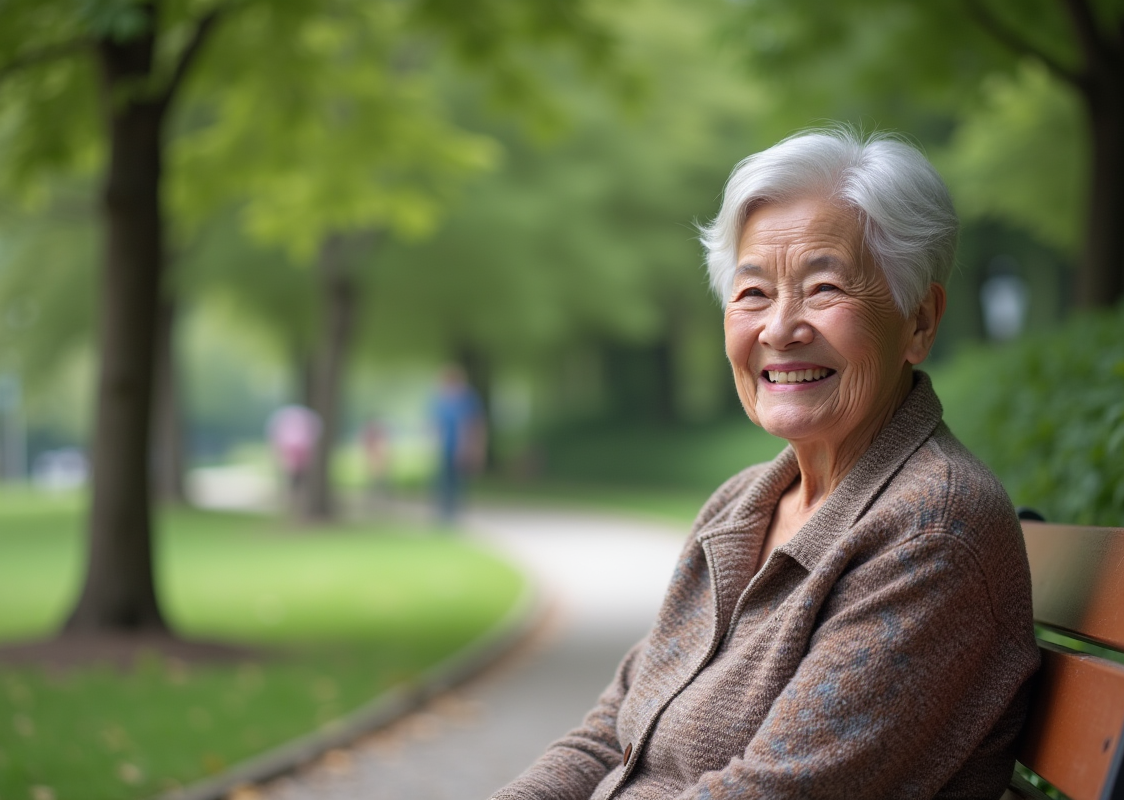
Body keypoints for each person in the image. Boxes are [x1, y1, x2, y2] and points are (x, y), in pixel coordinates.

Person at [492, 128, 1039, 800]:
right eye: (752, 293)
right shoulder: (739, 506)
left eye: (824, 287)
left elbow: (774, 793)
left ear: (919, 322)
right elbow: (612, 730)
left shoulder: (932, 532)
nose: (780, 328)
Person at [430, 364, 486, 521]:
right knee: (442, 481)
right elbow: (436, 424)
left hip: (463, 447)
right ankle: (444, 513)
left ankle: (453, 513)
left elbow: (475, 425)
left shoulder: (468, 399)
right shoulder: (441, 400)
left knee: (457, 482)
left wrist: (474, 449)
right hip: (445, 447)